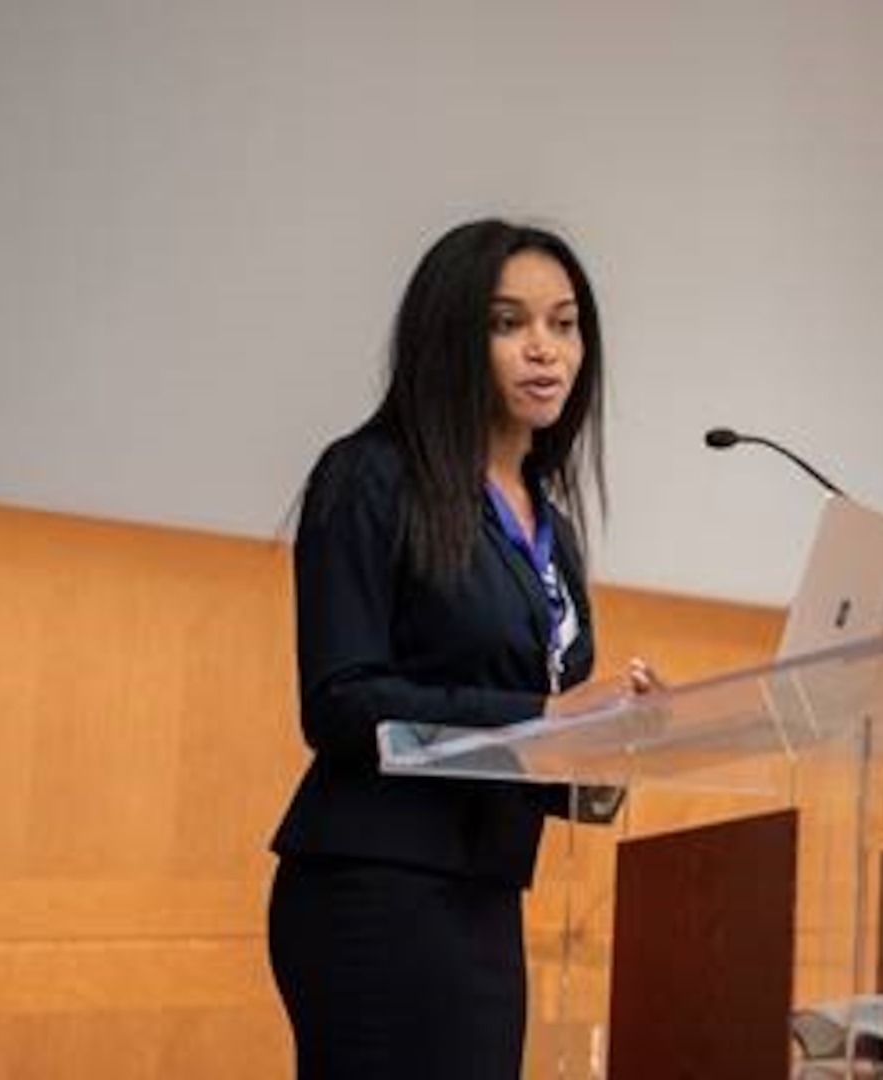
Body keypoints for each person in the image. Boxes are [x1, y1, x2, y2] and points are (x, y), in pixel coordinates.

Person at [268, 219, 652, 1078]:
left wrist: (612, 744)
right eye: (508, 323)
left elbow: (521, 726)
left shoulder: (546, 517)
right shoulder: (370, 477)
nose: (544, 350)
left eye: (565, 323)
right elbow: (339, 703)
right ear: (450, 336)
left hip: (484, 889)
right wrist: (546, 715)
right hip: (374, 883)